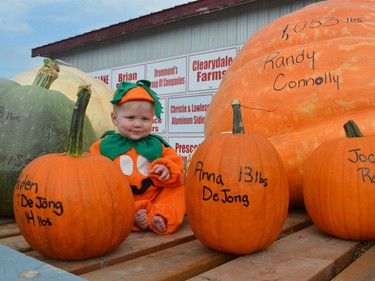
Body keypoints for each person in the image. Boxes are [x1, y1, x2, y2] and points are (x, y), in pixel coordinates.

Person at [90, 80, 185, 234]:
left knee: (178, 189)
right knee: (100, 197)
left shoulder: (157, 145)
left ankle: (161, 216)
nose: (138, 124)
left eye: (145, 119)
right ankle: (130, 218)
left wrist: (167, 167)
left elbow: (176, 162)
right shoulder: (103, 146)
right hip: (123, 202)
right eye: (131, 118)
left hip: (154, 199)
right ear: (114, 118)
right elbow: (90, 171)